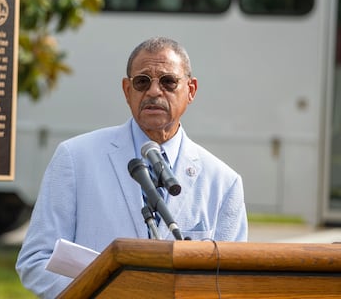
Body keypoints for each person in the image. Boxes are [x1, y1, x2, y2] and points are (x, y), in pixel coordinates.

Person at [15, 36, 248, 298]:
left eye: (168, 82)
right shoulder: (75, 157)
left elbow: (230, 278)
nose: (154, 92)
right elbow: (36, 258)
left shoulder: (223, 182)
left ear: (191, 90)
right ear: (128, 91)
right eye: (142, 82)